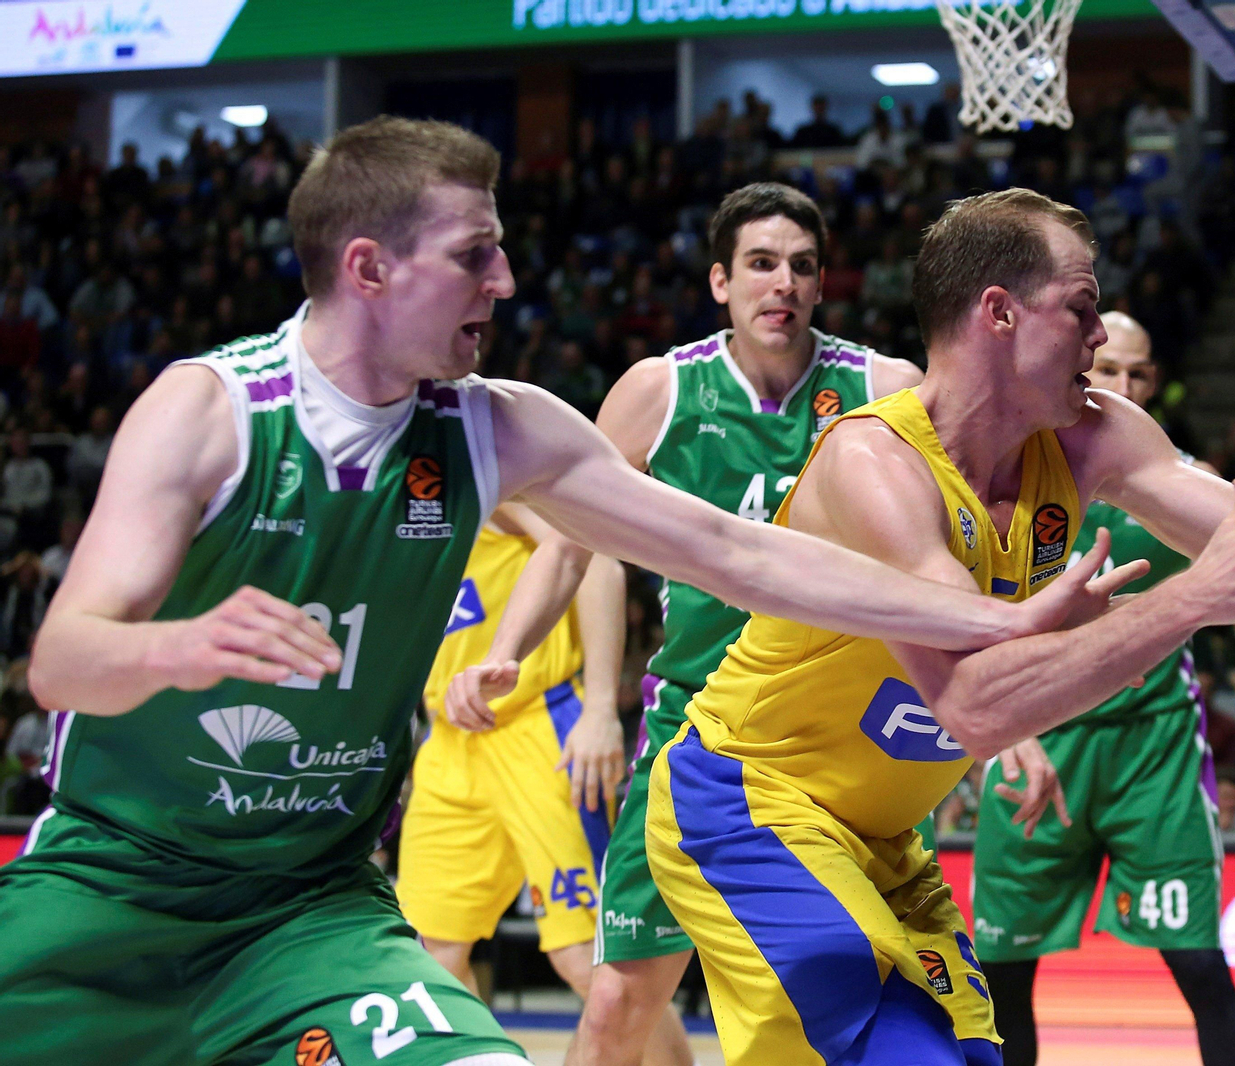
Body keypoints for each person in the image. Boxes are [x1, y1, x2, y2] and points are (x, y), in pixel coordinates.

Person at [0, 121, 1096, 1065]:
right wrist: (178, 647)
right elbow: (63, 660)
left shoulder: (499, 423)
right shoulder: (210, 409)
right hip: (111, 887)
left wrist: (990, 618)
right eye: (476, 255)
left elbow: (738, 553)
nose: (507, 281)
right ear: (370, 267)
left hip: (306, 909)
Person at [641, 189, 1235, 1064]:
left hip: (882, 841)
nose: (1100, 337)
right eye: (1083, 308)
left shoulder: (1095, 438)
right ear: (999, 313)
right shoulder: (876, 464)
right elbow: (975, 708)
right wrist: (1187, 601)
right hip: (750, 802)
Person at [456, 182, 926, 1066]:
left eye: (800, 267)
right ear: (720, 282)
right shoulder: (659, 391)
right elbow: (569, 542)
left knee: (870, 987)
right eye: (759, 264)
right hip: (695, 726)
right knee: (620, 1000)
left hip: (836, 728)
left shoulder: (886, 390)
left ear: (822, 286)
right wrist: (507, 652)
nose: (780, 282)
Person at [970, 311, 1235, 1066]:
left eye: (1137, 374)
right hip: (1037, 743)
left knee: (1200, 967)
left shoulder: (1185, 487)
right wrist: (1010, 735)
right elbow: (970, 620)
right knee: (1001, 979)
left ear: (1153, 382)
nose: (1121, 387)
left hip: (1152, 754)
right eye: (1109, 369)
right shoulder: (1011, 475)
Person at [392, 504, 663, 1046]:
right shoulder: (375, 504)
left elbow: (597, 560)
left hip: (540, 723)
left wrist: (600, 707)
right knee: (432, 953)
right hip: (448, 738)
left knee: (587, 957)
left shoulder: (486, 479)